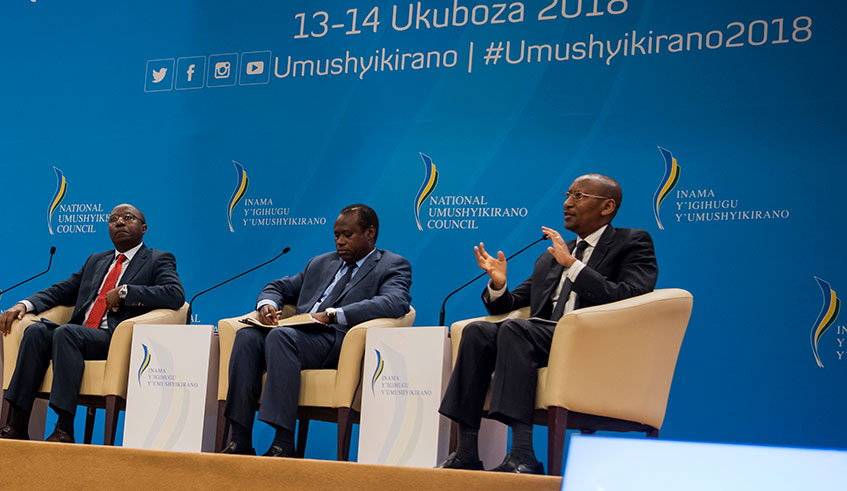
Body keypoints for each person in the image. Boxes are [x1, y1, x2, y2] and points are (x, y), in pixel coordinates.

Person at [437, 174, 659, 474]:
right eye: (568, 195)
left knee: (517, 331)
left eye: (579, 197)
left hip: (594, 341)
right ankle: (466, 453)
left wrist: (574, 267)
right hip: (544, 338)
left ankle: (523, 454)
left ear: (607, 206)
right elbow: (511, 304)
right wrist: (499, 284)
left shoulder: (632, 242)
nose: (567, 203)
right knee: (478, 332)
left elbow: (632, 295)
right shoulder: (553, 255)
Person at [221, 204, 412, 457]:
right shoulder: (321, 263)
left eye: (347, 235)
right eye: (336, 235)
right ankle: (240, 439)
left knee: (281, 337)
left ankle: (283, 442)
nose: (340, 242)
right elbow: (278, 286)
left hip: (337, 340)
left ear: (370, 233)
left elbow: (395, 302)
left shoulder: (392, 264)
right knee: (246, 337)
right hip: (298, 334)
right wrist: (267, 305)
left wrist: (333, 315)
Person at [0, 204, 185, 443]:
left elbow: (175, 294)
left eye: (127, 218)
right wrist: (24, 305)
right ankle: (16, 425)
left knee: (66, 334)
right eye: (113, 219)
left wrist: (126, 292)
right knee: (35, 331)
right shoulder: (97, 260)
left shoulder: (158, 259)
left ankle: (64, 428)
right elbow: (62, 290)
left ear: (144, 227)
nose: (119, 222)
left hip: (113, 338)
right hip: (79, 333)